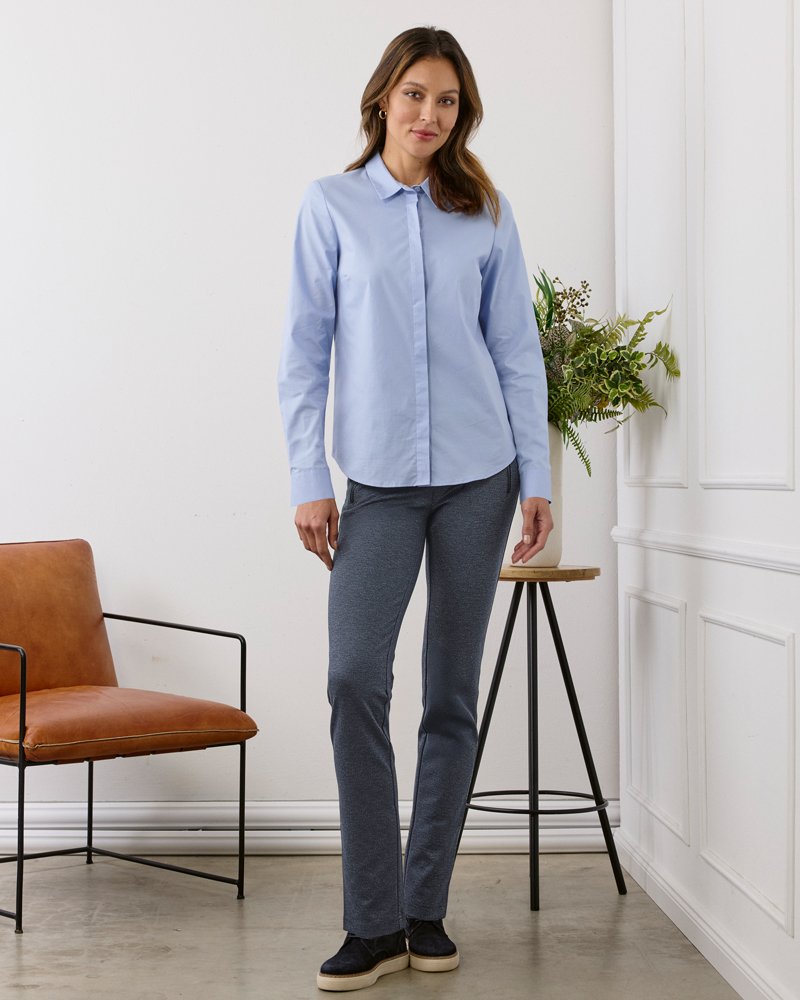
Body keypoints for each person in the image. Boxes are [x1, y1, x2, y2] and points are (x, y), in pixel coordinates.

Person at [277, 25, 552, 992]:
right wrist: (308, 478)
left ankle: (423, 908)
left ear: (460, 113)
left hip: (482, 479)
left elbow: (516, 349)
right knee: (355, 677)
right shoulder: (332, 206)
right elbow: (304, 353)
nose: (429, 115)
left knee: (449, 694)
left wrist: (537, 479)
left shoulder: (485, 212)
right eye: (415, 95)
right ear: (382, 98)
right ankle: (372, 920)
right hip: (379, 486)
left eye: (447, 101)